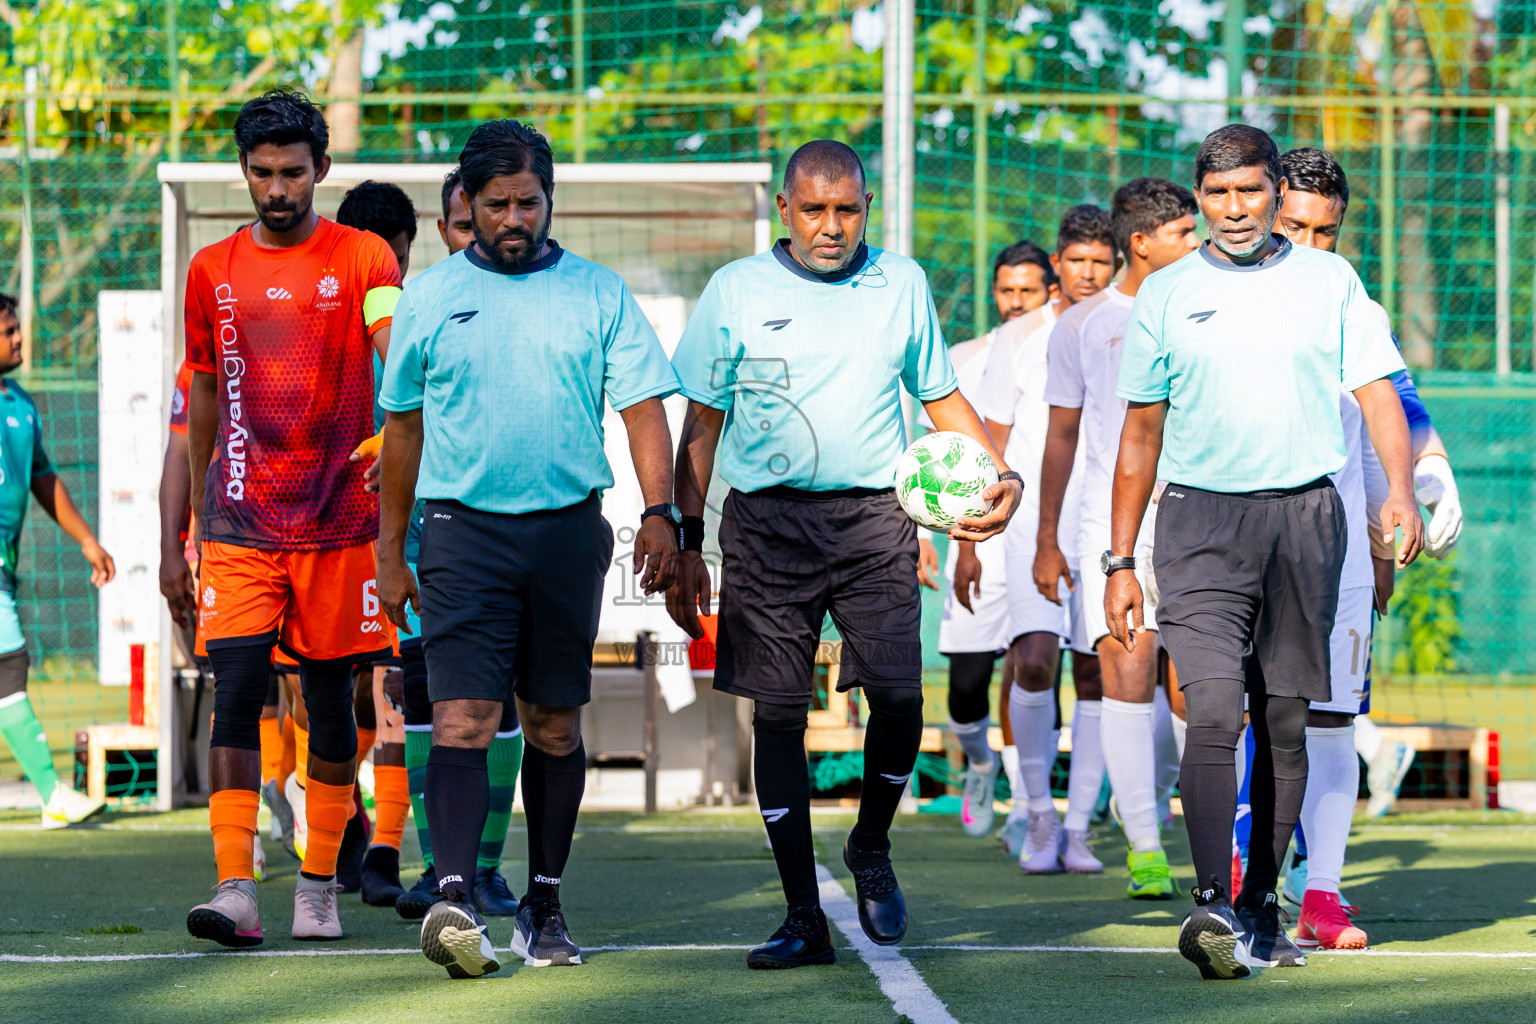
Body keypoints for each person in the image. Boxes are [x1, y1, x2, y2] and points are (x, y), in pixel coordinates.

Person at [665, 140, 1023, 969]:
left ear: (868, 208)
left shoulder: (902, 282)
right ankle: (803, 916)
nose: (831, 226)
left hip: (873, 520)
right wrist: (684, 539)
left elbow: (940, 395)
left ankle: (870, 844)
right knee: (778, 716)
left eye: (847, 210)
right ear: (784, 211)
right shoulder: (736, 290)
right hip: (766, 526)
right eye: (814, 210)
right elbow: (701, 424)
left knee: (898, 696)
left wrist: (1000, 473)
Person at [1107, 123, 1423, 979]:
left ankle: (1260, 910)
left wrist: (1397, 490)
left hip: (1306, 521)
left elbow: (1379, 395)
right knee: (1214, 710)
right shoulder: (1166, 293)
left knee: (1285, 719)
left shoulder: (1331, 281)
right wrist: (1119, 559)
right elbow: (1139, 434)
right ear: (1200, 198)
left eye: (1250, 190)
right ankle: (1212, 904)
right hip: (1199, 526)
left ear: (1275, 194)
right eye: (1217, 194)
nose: (1235, 208)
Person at [377, 119, 680, 978]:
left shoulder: (597, 292)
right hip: (461, 535)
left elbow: (643, 408)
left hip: (566, 534)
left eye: (528, 202)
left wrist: (662, 513)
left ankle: (544, 904)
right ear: (466, 206)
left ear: (550, 200)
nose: (514, 218)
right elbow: (402, 435)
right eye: (497, 204)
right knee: (463, 718)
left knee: (552, 723)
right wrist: (389, 552)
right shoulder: (428, 297)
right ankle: (455, 899)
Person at [182, 89, 402, 947]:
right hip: (240, 525)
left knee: (329, 703)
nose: (277, 189)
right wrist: (198, 508)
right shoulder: (212, 269)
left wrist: (397, 428)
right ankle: (236, 886)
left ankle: (318, 885)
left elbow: (393, 347)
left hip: (341, 523)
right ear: (244, 170)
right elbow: (205, 389)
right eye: (262, 173)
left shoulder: (364, 256)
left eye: (293, 173)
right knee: (234, 696)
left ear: (323, 169)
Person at [1271, 146, 1463, 950]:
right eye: (1295, 227)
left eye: (1327, 231)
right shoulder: (1214, 301)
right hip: (1242, 542)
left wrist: (1428, 474)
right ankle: (1246, 874)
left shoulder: (1358, 306)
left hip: (1343, 550)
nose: (1311, 246)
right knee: (1247, 716)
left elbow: (1398, 409)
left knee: (1333, 719)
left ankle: (1320, 892)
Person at [353, 170, 526, 921]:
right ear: (448, 229)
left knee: (502, 697)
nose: (475, 235)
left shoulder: (527, 307)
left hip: (503, 532)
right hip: (421, 537)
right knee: (423, 691)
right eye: (461, 225)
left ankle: (486, 869)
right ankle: (437, 868)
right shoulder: (415, 307)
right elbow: (398, 417)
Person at [1033, 179, 1199, 892]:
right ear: (1141, 243)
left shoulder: (1206, 307)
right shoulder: (1081, 325)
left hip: (1199, 519)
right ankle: (1145, 848)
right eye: (1183, 232)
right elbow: (1061, 437)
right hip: (1110, 528)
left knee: (1196, 689)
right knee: (1126, 673)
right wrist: (1047, 538)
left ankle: (1210, 833)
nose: (1197, 242)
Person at [979, 206, 1118, 866]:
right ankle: (1037, 814)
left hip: (1108, 524)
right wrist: (969, 544)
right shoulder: (1020, 337)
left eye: (1100, 261)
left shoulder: (1132, 329)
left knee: (1095, 670)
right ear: (1057, 263)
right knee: (1033, 659)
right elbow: (993, 439)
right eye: (1077, 259)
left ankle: (1080, 826)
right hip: (1032, 523)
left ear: (1117, 263)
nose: (1088, 272)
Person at [917, 239, 1055, 842]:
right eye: (1007, 290)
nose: (1017, 301)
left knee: (1033, 668)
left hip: (1039, 537)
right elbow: (929, 456)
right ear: (995, 293)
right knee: (968, 686)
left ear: (1049, 290)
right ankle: (979, 764)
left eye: (1029, 290)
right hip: (974, 537)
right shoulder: (962, 359)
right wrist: (927, 536)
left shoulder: (1060, 352)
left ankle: (1028, 806)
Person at [333, 179, 419, 905]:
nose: (388, 276)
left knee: (392, 684)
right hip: (323, 532)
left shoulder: (415, 326)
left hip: (399, 534)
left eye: (398, 262)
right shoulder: (318, 320)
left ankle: (384, 848)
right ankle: (340, 823)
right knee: (327, 695)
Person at [0, 293, 114, 829]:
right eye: (8, 331)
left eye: (17, 328)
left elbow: (43, 479)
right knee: (9, 663)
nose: (19, 337)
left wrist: (88, 540)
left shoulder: (21, 404)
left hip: (5, 563)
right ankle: (51, 793)